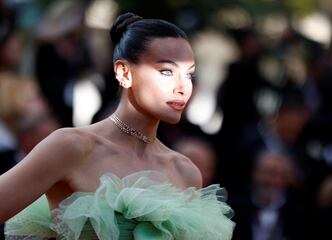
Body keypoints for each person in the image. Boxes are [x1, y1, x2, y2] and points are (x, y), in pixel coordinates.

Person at [0, 12, 234, 239]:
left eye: (189, 75)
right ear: (124, 72)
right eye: (166, 71)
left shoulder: (186, 171)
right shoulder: (71, 146)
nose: (182, 87)